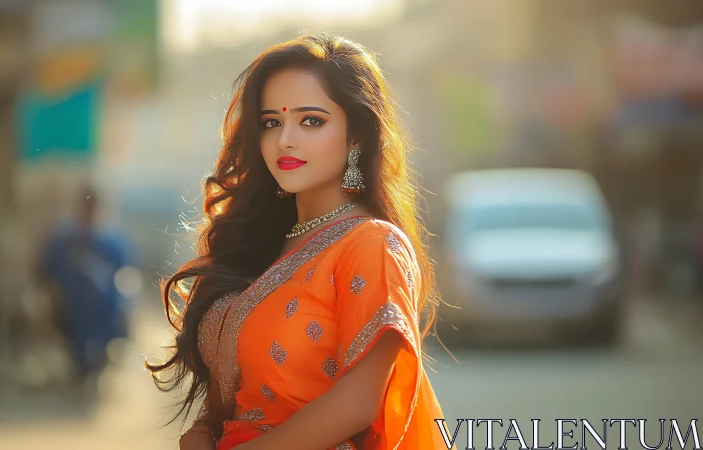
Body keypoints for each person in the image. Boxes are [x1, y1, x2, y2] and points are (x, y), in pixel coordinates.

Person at [148, 33, 451, 450]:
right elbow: (232, 400)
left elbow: (358, 403)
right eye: (272, 122)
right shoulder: (261, 246)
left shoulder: (372, 245)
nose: (285, 139)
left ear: (357, 136)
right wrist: (200, 432)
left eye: (311, 121)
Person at [40, 185, 132, 386]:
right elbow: (48, 269)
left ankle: (96, 367)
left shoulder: (111, 241)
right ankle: (80, 370)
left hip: (103, 307)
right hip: (72, 304)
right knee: (76, 338)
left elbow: (124, 270)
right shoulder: (64, 239)